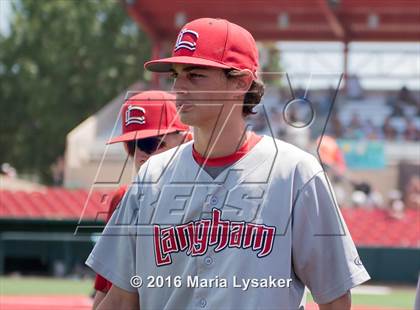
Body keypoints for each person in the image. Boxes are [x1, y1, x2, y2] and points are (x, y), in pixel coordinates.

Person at [86, 18, 370, 310]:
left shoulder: (296, 173)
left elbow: (334, 298)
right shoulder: (152, 177)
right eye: (176, 75)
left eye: (195, 75)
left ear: (241, 82)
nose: (179, 86)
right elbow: (121, 300)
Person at [91, 90, 190, 309]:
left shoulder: (217, 192)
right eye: (133, 145)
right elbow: (107, 289)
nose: (141, 154)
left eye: (153, 143)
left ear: (186, 139)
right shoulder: (125, 199)